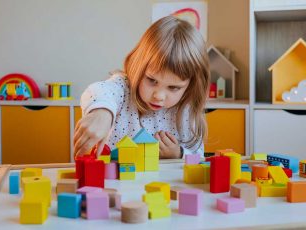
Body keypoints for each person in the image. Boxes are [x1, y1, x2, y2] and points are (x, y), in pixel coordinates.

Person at [73, 16, 210, 159]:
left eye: (174, 88)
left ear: (191, 85)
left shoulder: (186, 111)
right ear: (138, 66)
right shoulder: (123, 88)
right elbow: (99, 90)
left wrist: (178, 154)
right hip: (117, 180)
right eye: (151, 80)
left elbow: (198, 158)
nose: (159, 96)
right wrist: (101, 112)